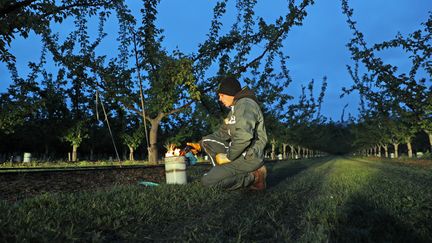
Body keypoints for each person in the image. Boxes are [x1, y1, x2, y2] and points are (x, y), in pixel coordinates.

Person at [192, 75, 268, 190]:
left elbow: (244, 136)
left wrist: (228, 157)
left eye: (221, 95)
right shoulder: (234, 110)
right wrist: (199, 145)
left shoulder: (245, 104)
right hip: (239, 153)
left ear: (230, 93)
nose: (219, 99)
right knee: (206, 142)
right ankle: (222, 173)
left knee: (207, 182)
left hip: (249, 157)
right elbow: (221, 133)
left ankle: (255, 177)